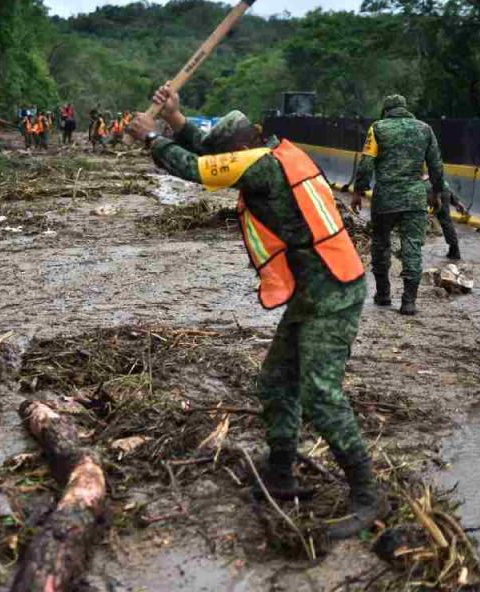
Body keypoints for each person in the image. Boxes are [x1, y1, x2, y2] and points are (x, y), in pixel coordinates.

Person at [127, 84, 384, 540]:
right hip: (314, 288)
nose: (228, 163)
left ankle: (367, 492)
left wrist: (153, 137)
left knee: (320, 394)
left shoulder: (265, 170)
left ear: (242, 149)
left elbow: (200, 168)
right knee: (275, 382)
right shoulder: (273, 151)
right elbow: (210, 153)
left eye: (229, 156)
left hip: (334, 292)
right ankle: (282, 473)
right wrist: (177, 118)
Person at [352, 95, 446, 316]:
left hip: (385, 198)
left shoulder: (377, 128)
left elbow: (366, 164)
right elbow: (436, 165)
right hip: (415, 198)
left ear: (385, 111)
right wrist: (436, 192)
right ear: (406, 108)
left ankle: (383, 294)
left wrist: (358, 192)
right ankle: (409, 302)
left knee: (380, 244)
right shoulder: (425, 129)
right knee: (412, 246)